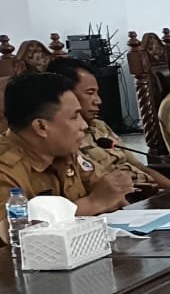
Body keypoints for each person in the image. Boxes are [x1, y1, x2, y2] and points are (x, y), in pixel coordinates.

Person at [0, 71, 134, 230]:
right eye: (74, 117)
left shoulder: (63, 150)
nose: (84, 125)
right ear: (41, 127)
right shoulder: (5, 169)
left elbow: (109, 195)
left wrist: (112, 193)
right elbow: (13, 232)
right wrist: (93, 203)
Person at [47, 57, 170, 190]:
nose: (98, 101)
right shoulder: (67, 139)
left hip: (150, 192)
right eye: (90, 93)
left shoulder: (99, 126)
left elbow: (139, 167)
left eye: (97, 93)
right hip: (127, 196)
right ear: (67, 95)